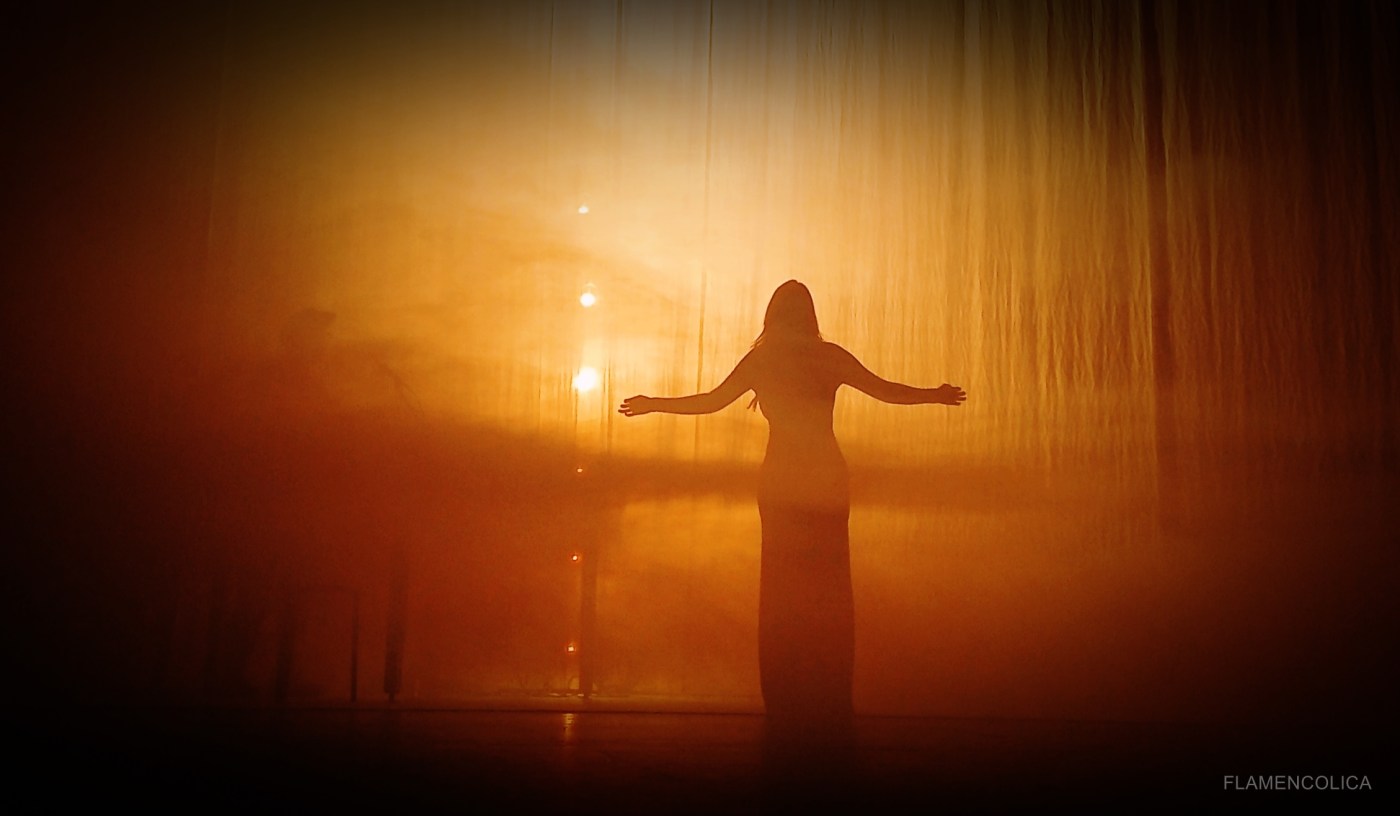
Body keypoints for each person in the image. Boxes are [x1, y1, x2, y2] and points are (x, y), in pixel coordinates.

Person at [618, 280, 966, 767]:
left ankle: (786, 691)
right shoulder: (828, 357)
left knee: (783, 584)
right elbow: (885, 391)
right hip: (825, 476)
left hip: (782, 478)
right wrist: (934, 395)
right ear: (809, 315)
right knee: (828, 582)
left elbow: (711, 401)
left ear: (772, 315)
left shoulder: (762, 361)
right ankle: (827, 690)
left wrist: (655, 403)